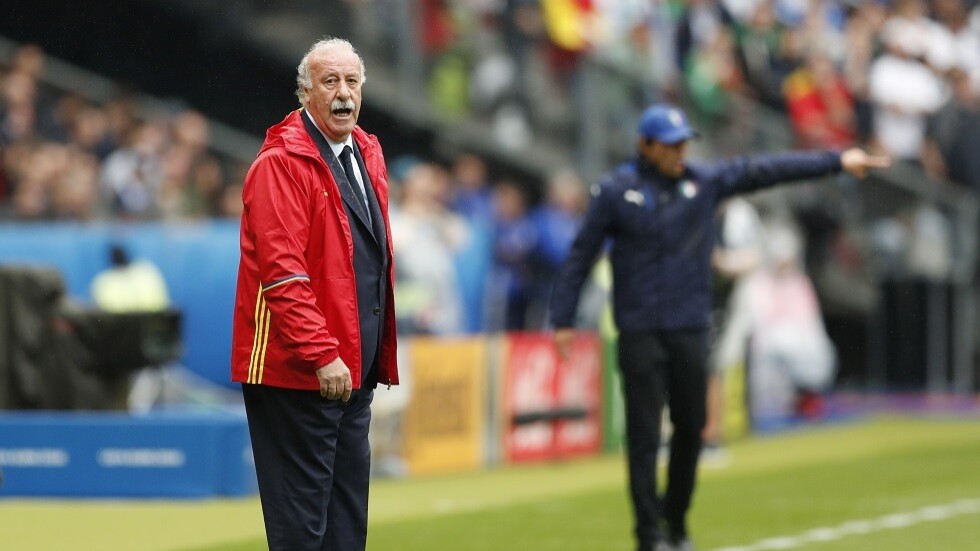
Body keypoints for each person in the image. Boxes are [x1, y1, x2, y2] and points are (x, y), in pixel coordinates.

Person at [549, 103, 889, 551]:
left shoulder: (704, 181)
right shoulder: (616, 191)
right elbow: (581, 253)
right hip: (639, 330)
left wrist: (837, 161)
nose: (680, 152)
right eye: (671, 145)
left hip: (689, 327)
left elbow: (767, 170)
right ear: (645, 145)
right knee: (644, 436)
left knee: (692, 428)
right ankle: (648, 535)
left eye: (684, 143)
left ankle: (675, 521)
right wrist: (563, 318)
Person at [230, 38, 398, 551]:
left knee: (347, 525)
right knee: (301, 528)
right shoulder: (279, 163)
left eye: (352, 82)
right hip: (298, 370)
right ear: (306, 93)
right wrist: (322, 353)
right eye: (330, 82)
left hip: (354, 371)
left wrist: (369, 356)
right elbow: (283, 274)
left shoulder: (366, 151)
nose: (343, 93)